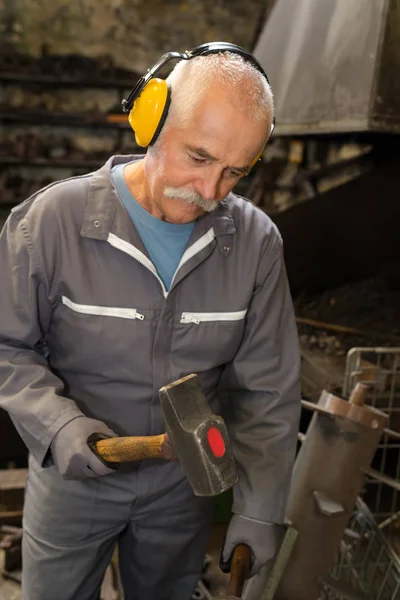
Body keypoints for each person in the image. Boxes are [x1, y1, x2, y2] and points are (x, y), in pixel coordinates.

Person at [0, 43, 301, 600]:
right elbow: (7, 349)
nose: (210, 191)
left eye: (234, 172)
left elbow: (267, 392)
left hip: (184, 487)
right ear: (152, 119)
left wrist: (260, 511)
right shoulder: (50, 223)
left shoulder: (256, 244)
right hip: (74, 476)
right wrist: (58, 425)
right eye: (199, 157)